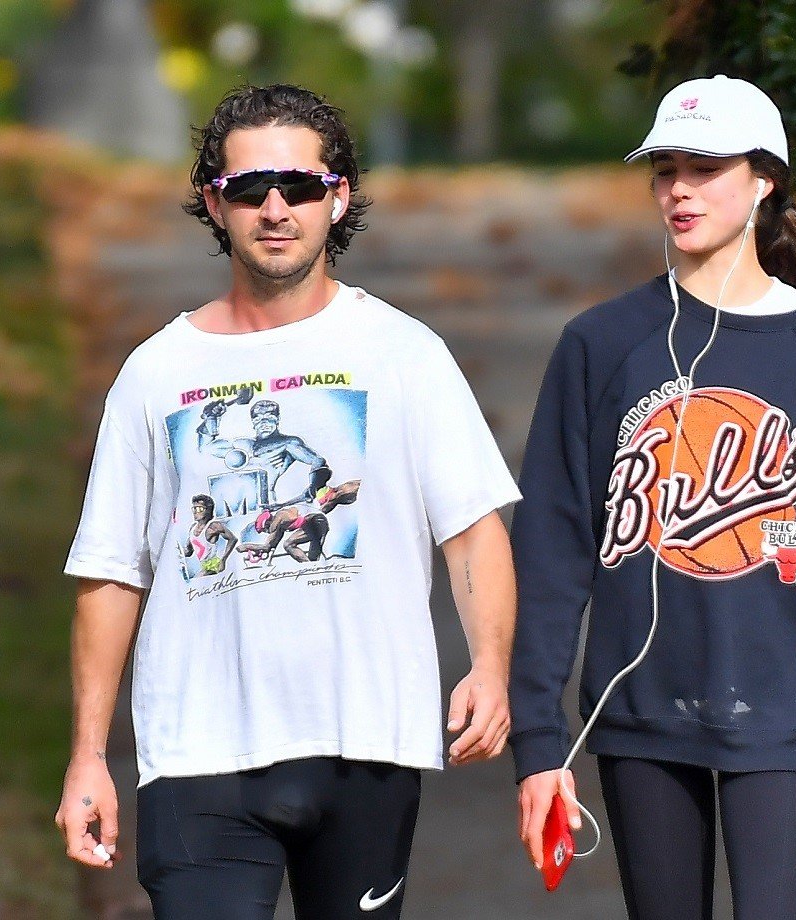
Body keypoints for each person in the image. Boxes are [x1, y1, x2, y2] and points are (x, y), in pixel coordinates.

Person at [55, 83, 520, 920]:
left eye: (300, 187)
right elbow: (110, 572)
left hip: (366, 743)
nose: (276, 208)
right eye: (249, 189)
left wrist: (489, 667)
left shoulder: (405, 354)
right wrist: (88, 755)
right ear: (215, 202)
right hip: (199, 755)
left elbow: (472, 529)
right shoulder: (156, 374)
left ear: (337, 198)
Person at [508, 75, 796, 920]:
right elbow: (550, 557)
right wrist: (539, 743)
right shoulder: (600, 345)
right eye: (665, 168)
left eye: (705, 167)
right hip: (640, 713)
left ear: (764, 178)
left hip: (786, 709)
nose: (679, 189)